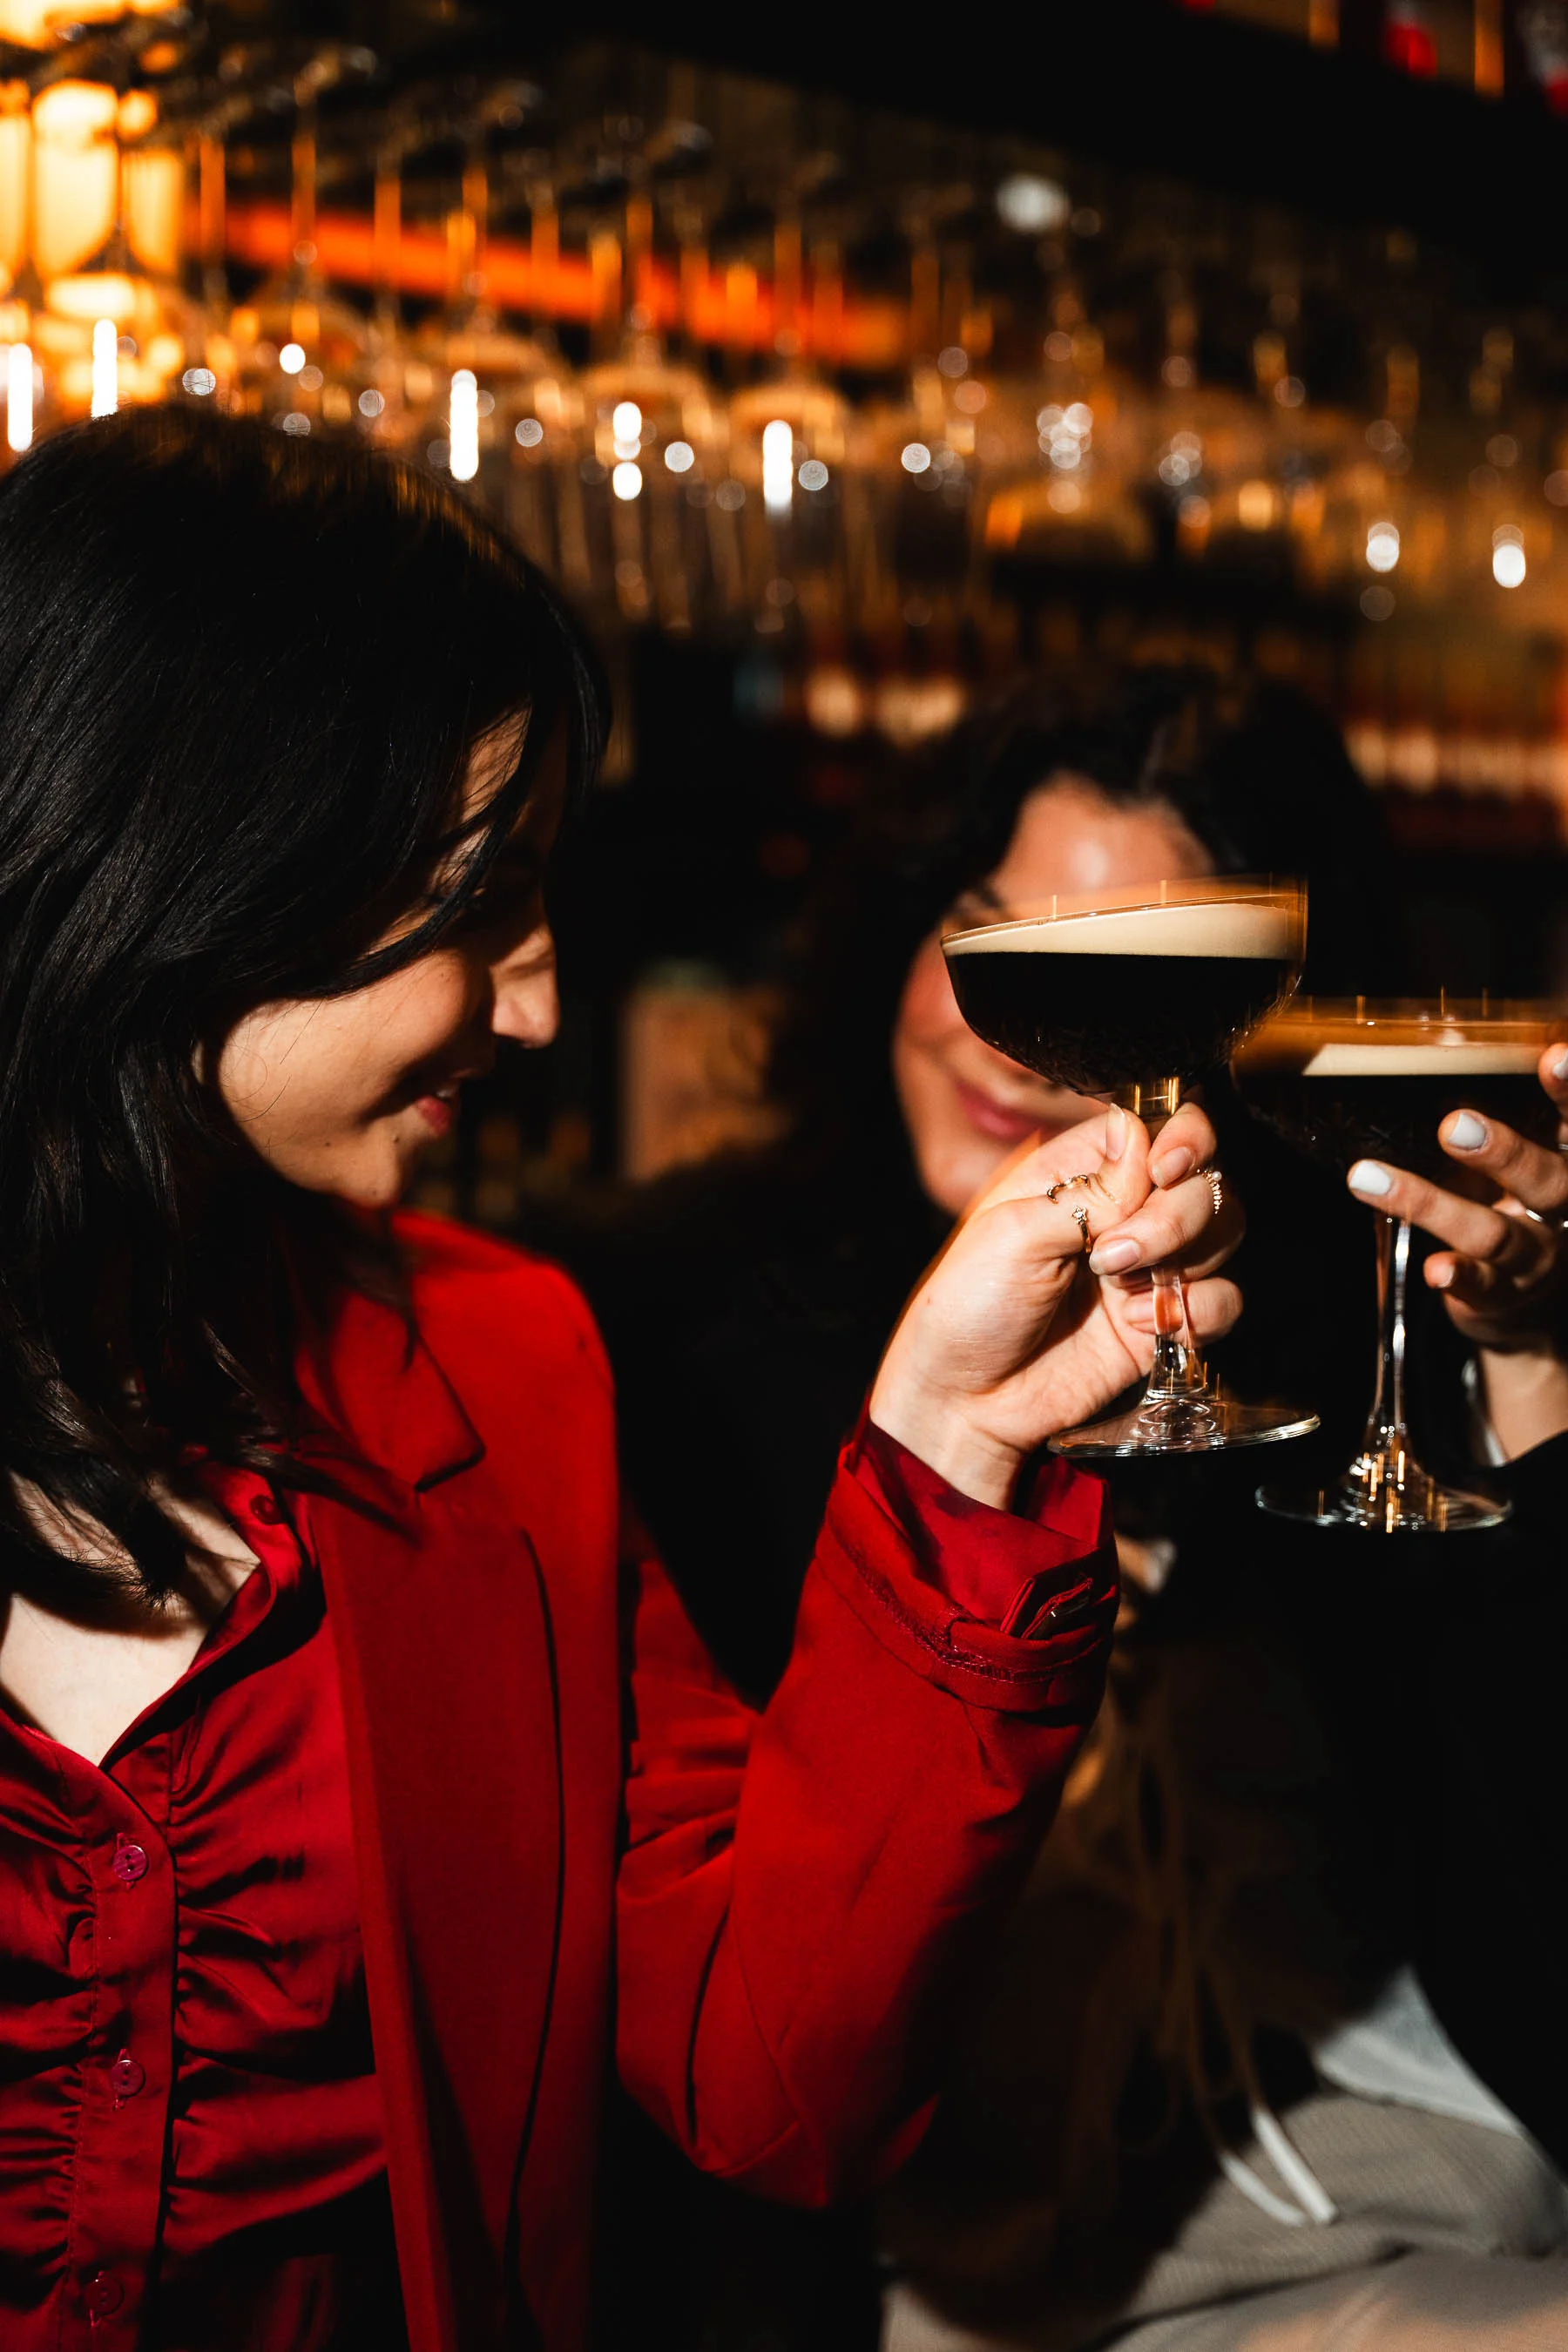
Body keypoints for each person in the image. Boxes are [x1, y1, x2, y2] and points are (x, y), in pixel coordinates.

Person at [0, 412, 1241, 2352]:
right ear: (198, 858)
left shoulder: (497, 1372)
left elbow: (773, 2080)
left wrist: (954, 1437)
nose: (538, 1001)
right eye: (473, 896)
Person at [535, 668, 1568, 2350]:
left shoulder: (1349, 1358)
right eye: (986, 929)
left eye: (1129, 964)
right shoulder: (664, 1337)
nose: (1018, 1028)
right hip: (931, 2283)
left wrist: (1532, 1383)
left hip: (1404, 2238)